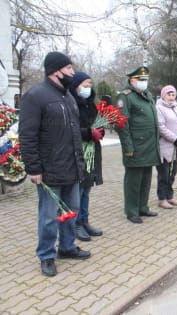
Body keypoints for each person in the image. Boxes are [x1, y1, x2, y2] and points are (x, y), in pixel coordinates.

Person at [19, 51, 91, 277]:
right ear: (55, 71)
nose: (72, 72)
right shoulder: (35, 96)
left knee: (70, 212)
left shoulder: (68, 97)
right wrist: (33, 168)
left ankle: (67, 248)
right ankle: (46, 255)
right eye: (69, 69)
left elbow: (74, 135)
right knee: (49, 217)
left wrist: (80, 164)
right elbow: (27, 135)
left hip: (71, 168)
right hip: (49, 171)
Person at [116, 66, 160, 223]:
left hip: (149, 146)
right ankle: (132, 211)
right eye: (141, 80)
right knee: (134, 180)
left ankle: (143, 207)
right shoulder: (125, 96)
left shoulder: (147, 95)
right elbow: (122, 124)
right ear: (132, 80)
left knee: (146, 178)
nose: (144, 82)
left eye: (146, 80)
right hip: (135, 146)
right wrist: (127, 147)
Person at [69, 72, 104, 241]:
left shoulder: (91, 105)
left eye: (90, 85)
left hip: (92, 150)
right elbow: (71, 128)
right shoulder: (71, 103)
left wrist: (100, 130)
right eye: (85, 85)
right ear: (76, 86)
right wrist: (89, 133)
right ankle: (75, 224)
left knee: (87, 189)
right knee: (79, 190)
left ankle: (85, 221)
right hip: (78, 151)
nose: (88, 88)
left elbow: (97, 122)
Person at [155, 85, 177, 209]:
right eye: (169, 94)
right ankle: (162, 198)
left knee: (173, 173)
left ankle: (170, 196)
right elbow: (161, 127)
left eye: (173, 95)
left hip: (176, 147)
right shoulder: (159, 108)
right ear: (163, 95)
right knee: (164, 174)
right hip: (165, 146)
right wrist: (174, 138)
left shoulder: (176, 108)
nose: (171, 97)